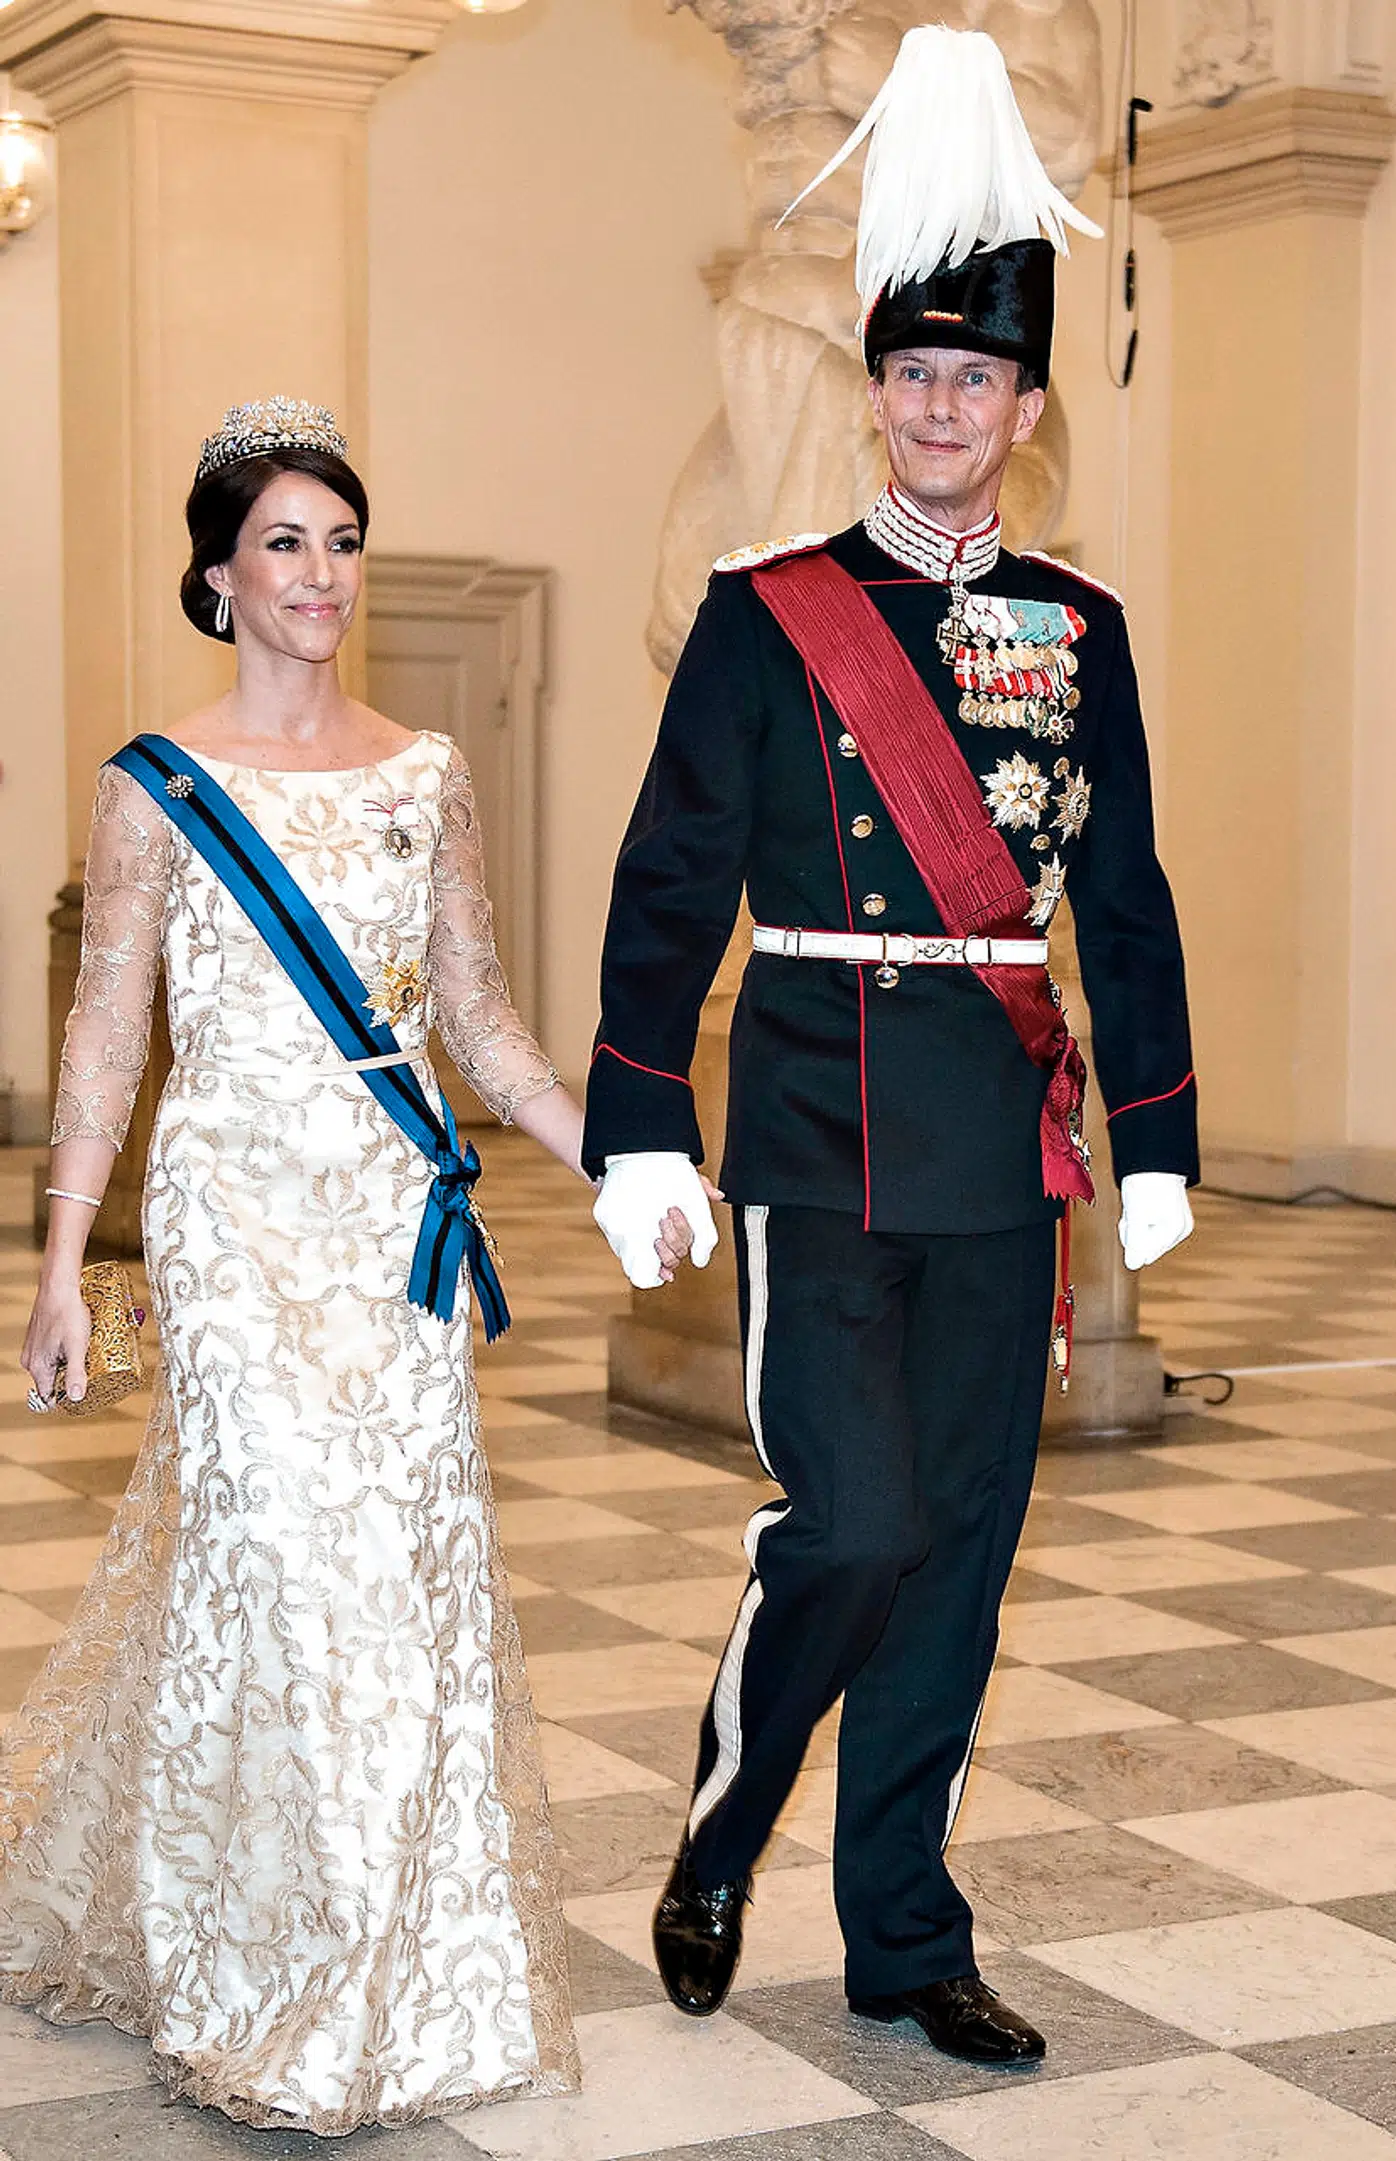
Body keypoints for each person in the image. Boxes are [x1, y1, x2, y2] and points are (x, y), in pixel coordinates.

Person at [586, 30, 1198, 2066]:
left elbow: (1122, 892)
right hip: (816, 1124)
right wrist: (640, 1126)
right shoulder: (770, 616)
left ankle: (908, 1939)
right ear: (879, 396)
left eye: (979, 379)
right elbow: (673, 879)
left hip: (996, 1143)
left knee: (959, 1555)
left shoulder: (1081, 630)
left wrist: (1167, 1133)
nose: (944, 408)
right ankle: (725, 1817)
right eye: (914, 375)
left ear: (1025, 408)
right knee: (845, 1523)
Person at [7, 398, 602, 2130]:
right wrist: (63, 1271)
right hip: (226, 1224)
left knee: (400, 1581)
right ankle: (267, 1981)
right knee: (279, 1572)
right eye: (284, 542)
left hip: (392, 1217)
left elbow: (478, 1014)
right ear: (217, 575)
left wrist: (614, 1153)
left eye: (342, 541)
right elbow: (110, 1031)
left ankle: (397, 1968)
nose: (321, 573)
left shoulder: (429, 773)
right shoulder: (154, 788)